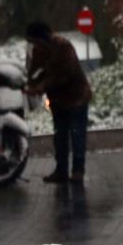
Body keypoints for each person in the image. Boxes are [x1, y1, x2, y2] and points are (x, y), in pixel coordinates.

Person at [25, 21, 93, 184]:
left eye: (35, 41)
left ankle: (78, 171)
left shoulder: (63, 47)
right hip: (58, 101)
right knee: (60, 137)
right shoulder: (38, 50)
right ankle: (61, 171)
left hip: (77, 97)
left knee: (77, 136)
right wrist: (31, 84)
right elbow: (35, 71)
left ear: (42, 38)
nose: (34, 45)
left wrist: (41, 86)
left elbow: (65, 75)